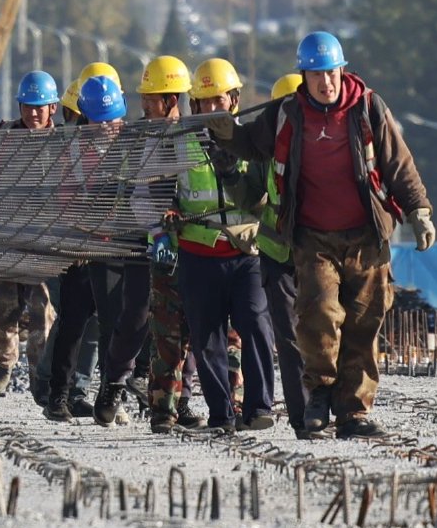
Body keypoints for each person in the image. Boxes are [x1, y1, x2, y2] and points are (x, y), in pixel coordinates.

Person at [210, 31, 433, 438]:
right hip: (313, 237)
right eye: (316, 75)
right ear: (303, 77)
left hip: (366, 236)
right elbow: (250, 144)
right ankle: (319, 394)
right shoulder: (287, 115)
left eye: (330, 73)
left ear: (342, 71)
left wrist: (419, 210)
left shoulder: (367, 108)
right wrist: (225, 132)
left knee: (364, 324)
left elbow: (398, 163)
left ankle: (354, 413)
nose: (325, 82)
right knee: (318, 315)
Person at [170, 58, 275, 433]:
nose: (212, 109)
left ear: (234, 100)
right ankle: (221, 415)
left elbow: (263, 196)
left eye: (219, 100)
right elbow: (157, 191)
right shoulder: (178, 144)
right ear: (194, 106)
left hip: (246, 252)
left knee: (256, 323)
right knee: (207, 338)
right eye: (204, 102)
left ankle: (260, 407)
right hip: (198, 254)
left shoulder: (251, 140)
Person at [43, 71, 149, 425]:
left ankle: (109, 396)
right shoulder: (72, 149)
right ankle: (58, 396)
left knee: (112, 325)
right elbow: (62, 197)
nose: (109, 127)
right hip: (79, 249)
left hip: (114, 250)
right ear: (86, 116)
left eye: (115, 120)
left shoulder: (132, 145)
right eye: (102, 121)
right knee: (71, 324)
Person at [131, 55, 202, 432]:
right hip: (166, 252)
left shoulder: (196, 137)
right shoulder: (150, 142)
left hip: (200, 249)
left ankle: (184, 402)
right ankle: (162, 409)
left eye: (151, 100)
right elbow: (139, 197)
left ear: (171, 100)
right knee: (166, 334)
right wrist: (157, 231)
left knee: (193, 331)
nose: (144, 106)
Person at [0, 71, 58, 397]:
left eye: (40, 107)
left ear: (52, 108)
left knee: (43, 312)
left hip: (47, 242)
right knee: (1, 309)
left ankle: (39, 375)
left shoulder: (65, 143)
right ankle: (4, 361)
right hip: (9, 238)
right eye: (28, 106)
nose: (33, 113)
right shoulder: (2, 137)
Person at [251, 72, 309, 437]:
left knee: (327, 333)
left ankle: (336, 408)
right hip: (277, 255)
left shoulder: (326, 147)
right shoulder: (266, 151)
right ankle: (304, 419)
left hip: (320, 253)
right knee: (289, 339)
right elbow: (249, 196)